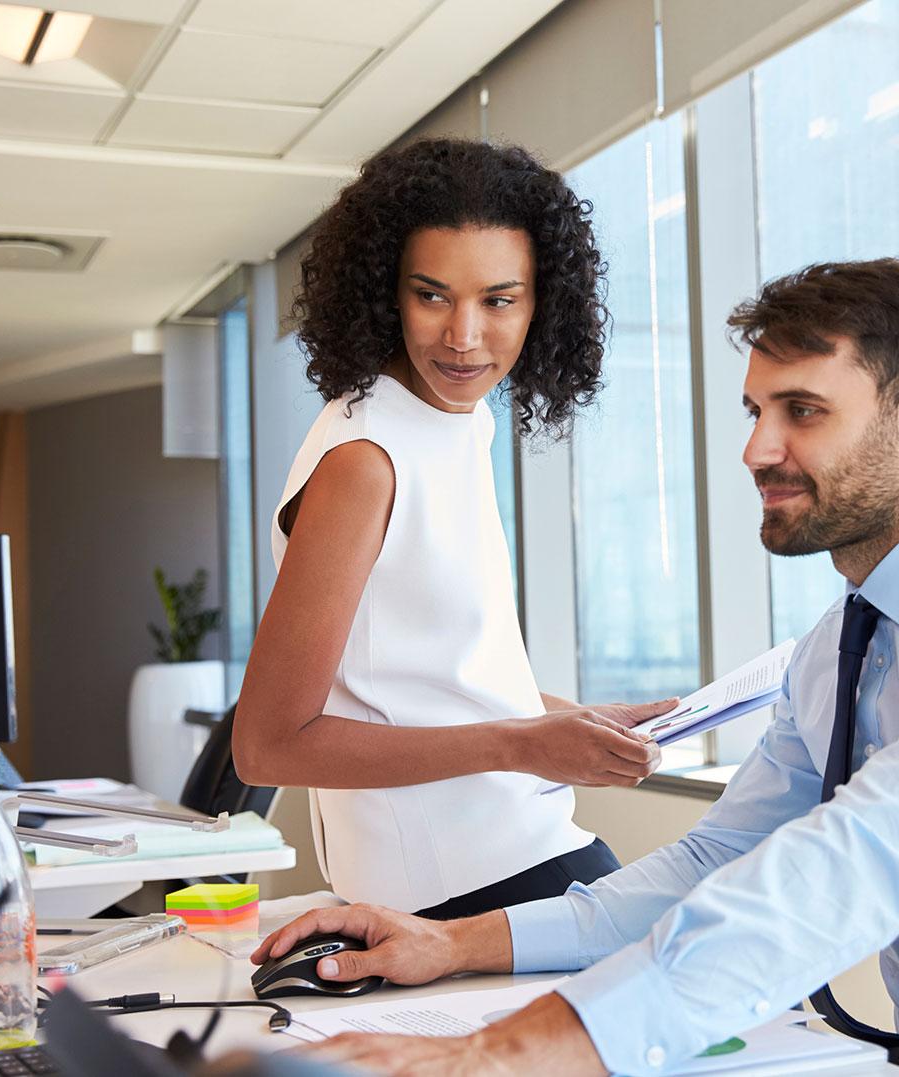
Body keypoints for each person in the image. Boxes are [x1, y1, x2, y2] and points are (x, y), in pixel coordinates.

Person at [250, 258, 899, 1075]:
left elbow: (867, 857)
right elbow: (715, 865)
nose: (754, 448)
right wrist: (453, 944)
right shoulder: (845, 642)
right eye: (754, 411)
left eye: (801, 411)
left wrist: (505, 1055)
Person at [233, 138, 674, 920]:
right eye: (432, 296)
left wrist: (565, 718)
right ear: (385, 293)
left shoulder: (458, 421)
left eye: (499, 300)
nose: (464, 336)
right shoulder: (365, 459)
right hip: (462, 892)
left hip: (520, 849)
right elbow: (269, 742)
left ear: (543, 303)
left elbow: (420, 673)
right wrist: (520, 742)